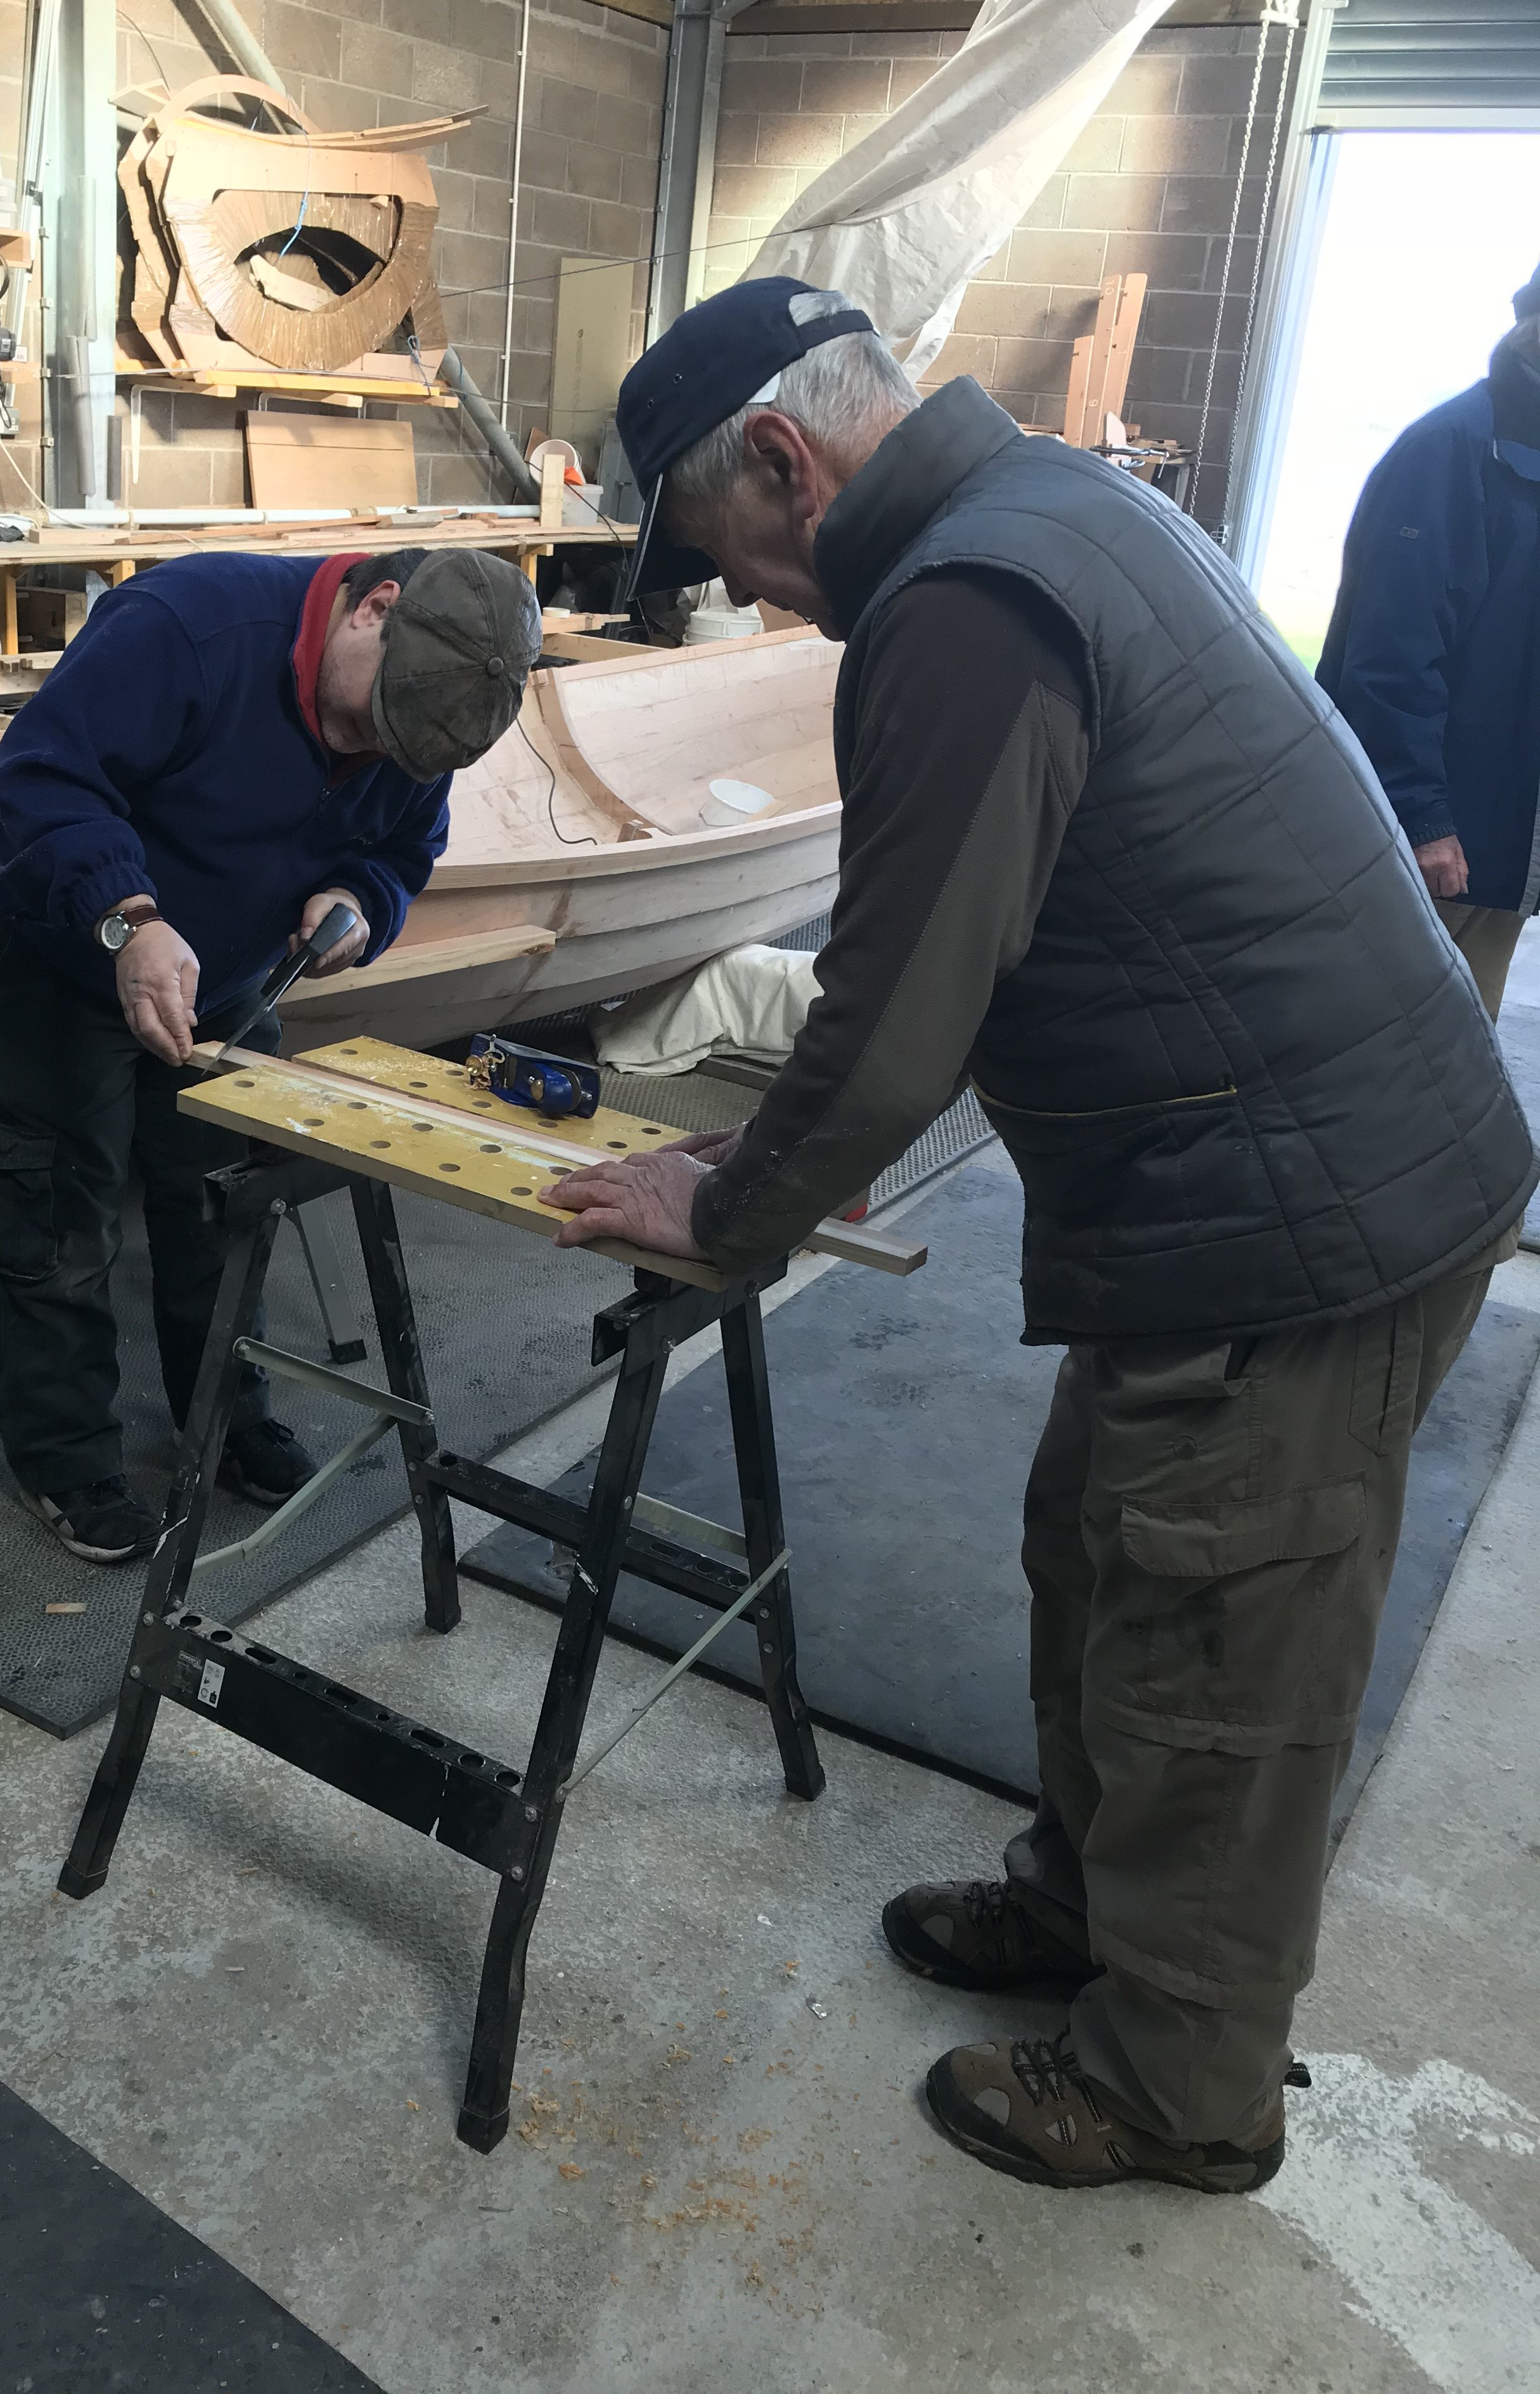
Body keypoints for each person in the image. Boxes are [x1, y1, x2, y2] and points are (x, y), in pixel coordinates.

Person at [541, 277, 1534, 2194]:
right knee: (1102, 1558)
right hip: (1255, 1184)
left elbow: (899, 1005)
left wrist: (723, 1200)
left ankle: (1179, 2085)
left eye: (735, 551)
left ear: (784, 458)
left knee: (1216, 1663)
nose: (752, 598)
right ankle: (1088, 1902)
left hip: (1298, 1219)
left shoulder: (967, 608)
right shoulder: (1066, 511)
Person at [0, 545, 538, 1564]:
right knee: (57, 1203)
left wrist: (363, 904)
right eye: (365, 728)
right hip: (61, 937)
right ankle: (66, 1459)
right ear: (374, 609)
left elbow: (402, 848)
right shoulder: (190, 626)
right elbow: (36, 785)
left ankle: (225, 1415)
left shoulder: (418, 719)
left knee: (224, 1198)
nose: (370, 752)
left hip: (230, 976)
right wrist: (125, 922)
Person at [1318, 264, 1540, 1018]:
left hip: (1506, 830)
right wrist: (1423, 818)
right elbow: (1390, 658)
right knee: (1397, 1046)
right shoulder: (1451, 453)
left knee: (1464, 1035)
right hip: (1444, 840)